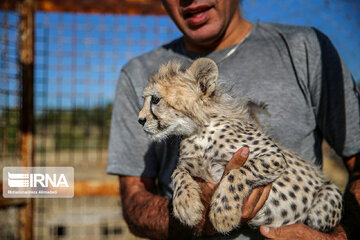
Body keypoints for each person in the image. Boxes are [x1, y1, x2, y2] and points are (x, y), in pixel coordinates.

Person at [107, 0, 360, 239]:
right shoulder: (137, 73)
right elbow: (134, 200)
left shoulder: (305, 47)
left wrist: (342, 235)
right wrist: (191, 216)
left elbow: (275, 160)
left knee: (328, 198)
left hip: (306, 200)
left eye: (155, 103)